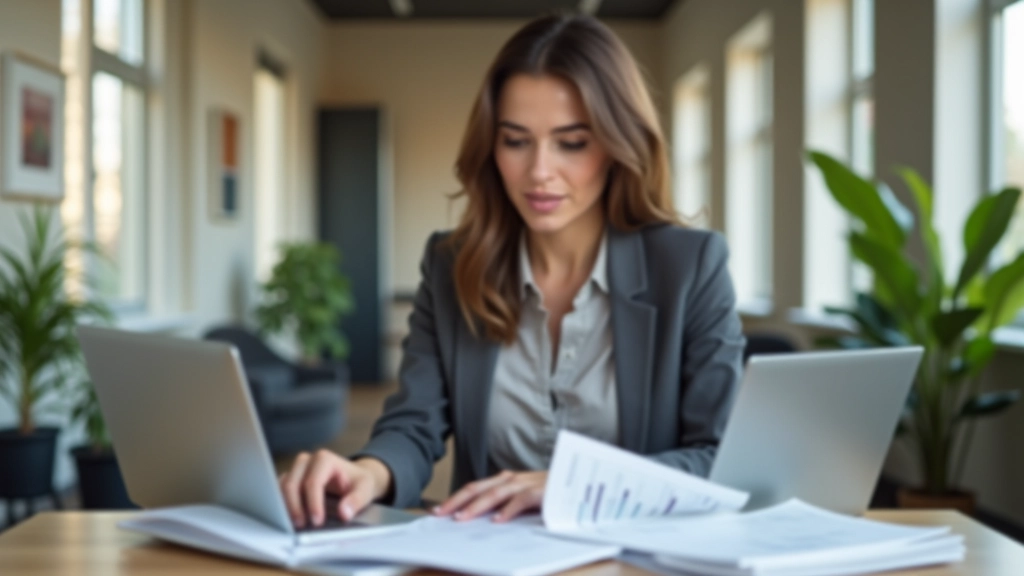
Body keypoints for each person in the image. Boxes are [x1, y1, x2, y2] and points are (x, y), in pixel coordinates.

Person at [279, 13, 744, 528]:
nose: (539, 171)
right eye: (516, 140)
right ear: (492, 145)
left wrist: (574, 484)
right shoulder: (450, 265)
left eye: (572, 142)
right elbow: (414, 426)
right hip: (489, 555)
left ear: (616, 145)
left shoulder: (691, 267)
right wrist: (367, 471)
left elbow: (718, 458)